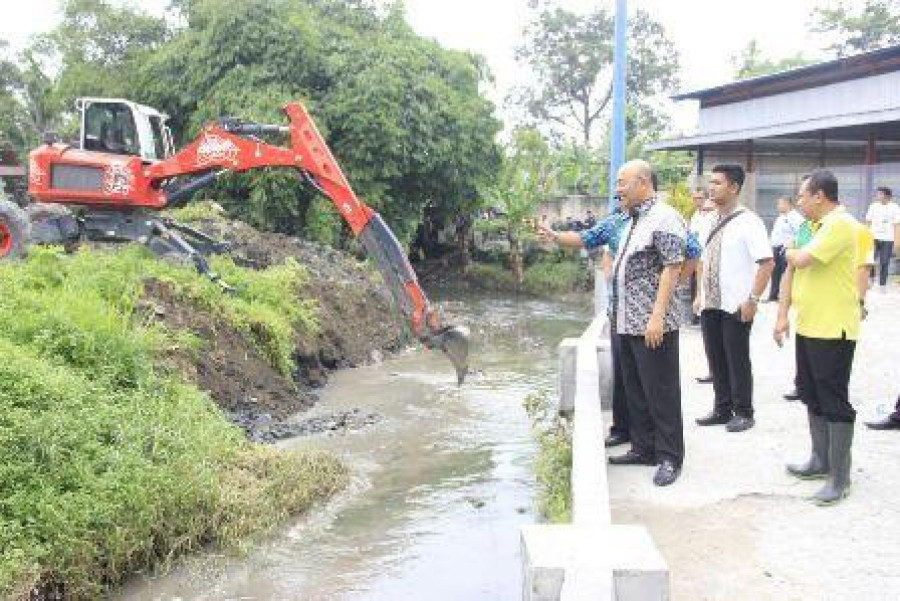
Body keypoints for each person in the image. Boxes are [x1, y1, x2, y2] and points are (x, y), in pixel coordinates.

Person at [546, 160, 687, 486]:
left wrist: (656, 316)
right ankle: (643, 447)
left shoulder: (663, 218)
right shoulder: (629, 218)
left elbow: (673, 266)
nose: (617, 189)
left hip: (652, 323)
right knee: (635, 389)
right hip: (625, 319)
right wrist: (554, 236)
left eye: (622, 182)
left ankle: (669, 457)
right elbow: (593, 241)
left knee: (661, 391)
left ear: (642, 182)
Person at [774, 169, 861, 506]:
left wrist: (792, 252)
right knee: (810, 392)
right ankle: (819, 459)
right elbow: (791, 271)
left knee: (833, 398)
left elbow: (801, 258)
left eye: (803, 195)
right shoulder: (811, 226)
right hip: (809, 325)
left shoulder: (841, 224)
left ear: (820, 196)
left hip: (834, 328)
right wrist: (782, 317)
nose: (798, 202)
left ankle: (840, 477)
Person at [693, 165, 773, 433]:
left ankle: (744, 411)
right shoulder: (707, 220)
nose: (711, 187)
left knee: (736, 358)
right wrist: (699, 295)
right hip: (710, 302)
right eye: (710, 182)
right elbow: (701, 260)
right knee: (714, 356)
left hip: (736, 303)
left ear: (734, 187)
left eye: (717, 182)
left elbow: (766, 263)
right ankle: (721, 408)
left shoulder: (749, 222)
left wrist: (753, 299)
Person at [688, 187, 716, 382]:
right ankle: (714, 372)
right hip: (700, 266)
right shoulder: (697, 219)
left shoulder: (719, 223)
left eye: (707, 207)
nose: (703, 209)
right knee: (710, 339)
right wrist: (699, 294)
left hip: (722, 290)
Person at [768, 196, 804, 302]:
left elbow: (801, 233)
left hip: (787, 249)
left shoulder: (796, 217)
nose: (778, 206)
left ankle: (790, 297)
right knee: (775, 273)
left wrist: (792, 245)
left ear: (787, 204)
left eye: (780, 204)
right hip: (776, 248)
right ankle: (773, 296)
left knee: (789, 272)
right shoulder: (781, 217)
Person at [865, 186, 899, 289]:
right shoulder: (873, 206)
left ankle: (882, 284)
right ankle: (871, 278)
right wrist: (866, 236)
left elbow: (897, 224)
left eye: (880, 194)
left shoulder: (895, 207)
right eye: (877, 194)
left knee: (884, 261)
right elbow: (868, 221)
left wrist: (897, 240)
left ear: (887, 196)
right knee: (870, 259)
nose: (878, 196)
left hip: (888, 239)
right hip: (873, 237)